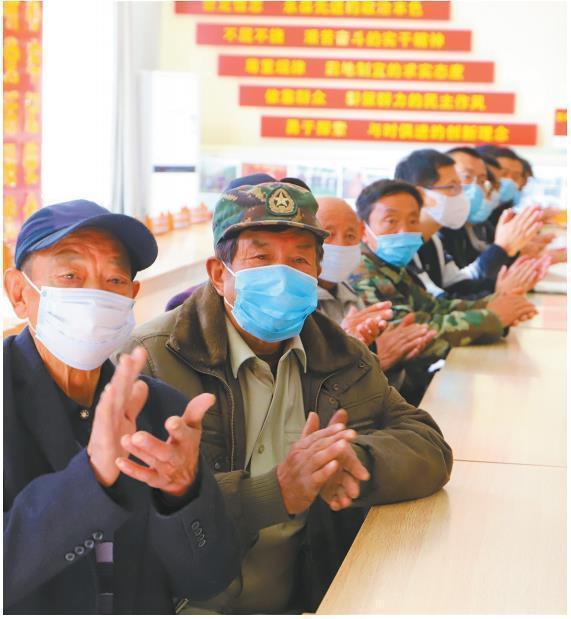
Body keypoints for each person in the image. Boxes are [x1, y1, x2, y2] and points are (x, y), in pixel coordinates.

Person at [116, 180, 453, 613]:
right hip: (187, 603)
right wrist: (275, 492)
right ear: (219, 274)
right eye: (261, 258)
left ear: (316, 273)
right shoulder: (152, 359)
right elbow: (131, 508)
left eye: (299, 260)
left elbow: (429, 447)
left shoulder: (338, 354)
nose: (283, 275)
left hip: (305, 597)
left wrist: (353, 461)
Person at [4, 200, 239, 614]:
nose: (94, 295)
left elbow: (209, 579)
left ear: (132, 296)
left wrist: (182, 495)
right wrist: (91, 476)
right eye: (71, 276)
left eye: (114, 279)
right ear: (19, 292)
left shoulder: (161, 409)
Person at [350, 179, 538, 367]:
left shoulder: (389, 264)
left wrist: (494, 304)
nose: (404, 231)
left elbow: (434, 307)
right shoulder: (360, 270)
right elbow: (408, 335)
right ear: (363, 229)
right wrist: (491, 317)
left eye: (413, 221)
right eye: (391, 221)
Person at [315, 195, 436, 389]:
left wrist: (390, 363)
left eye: (350, 236)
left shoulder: (349, 294)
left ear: (361, 234)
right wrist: (370, 363)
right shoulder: (295, 305)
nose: (341, 245)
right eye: (328, 235)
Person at [394, 149, 549, 299]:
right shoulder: (401, 245)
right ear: (421, 194)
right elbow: (435, 303)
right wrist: (502, 250)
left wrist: (506, 284)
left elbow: (457, 284)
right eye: (453, 186)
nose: (463, 193)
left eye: (481, 182)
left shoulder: (433, 241)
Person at [439, 147, 544, 277]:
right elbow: (456, 284)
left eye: (482, 181)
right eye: (466, 176)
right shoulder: (442, 230)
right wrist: (504, 248)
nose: (479, 189)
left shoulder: (474, 222)